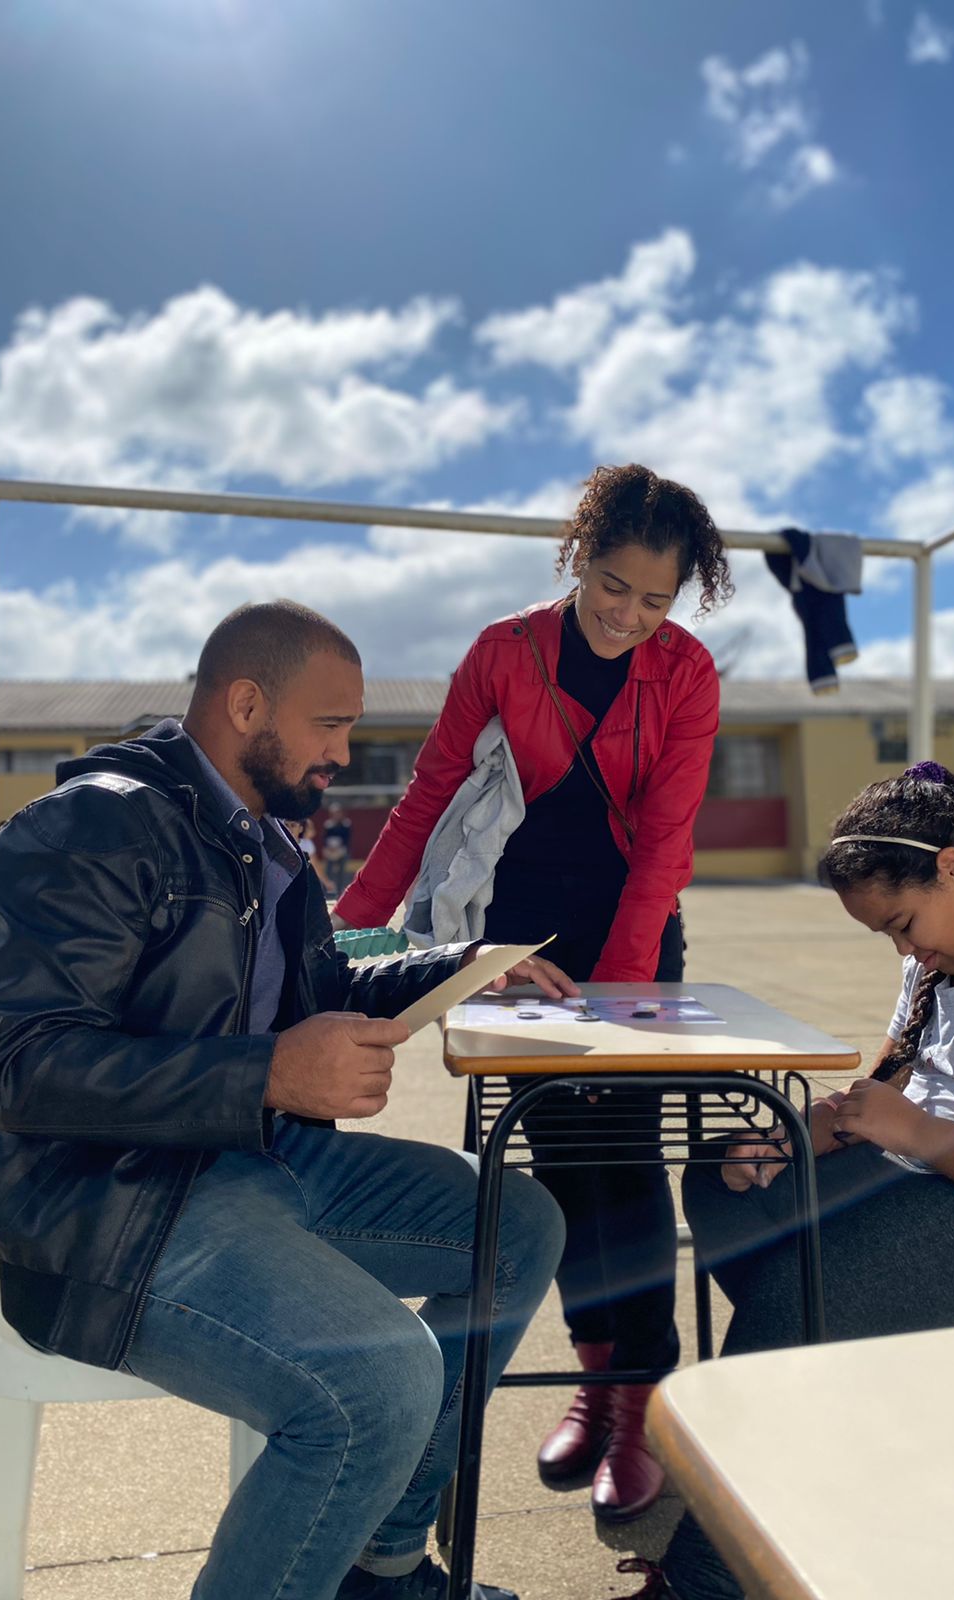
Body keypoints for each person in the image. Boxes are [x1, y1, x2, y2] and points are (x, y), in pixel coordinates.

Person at [0, 600, 573, 1600]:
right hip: (113, 1203)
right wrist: (269, 1075)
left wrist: (460, 969)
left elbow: (322, 989)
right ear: (247, 703)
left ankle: (380, 1566)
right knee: (380, 1381)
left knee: (518, 1224)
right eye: (330, 724)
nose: (344, 750)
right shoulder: (93, 824)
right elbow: (25, 1069)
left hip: (260, 1158)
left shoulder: (267, 841)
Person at [617, 760, 954, 1599]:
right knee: (728, 1180)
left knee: (818, 1282)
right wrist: (813, 1130)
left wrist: (915, 1133)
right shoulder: (944, 957)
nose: (906, 949)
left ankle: (709, 1577)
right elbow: (898, 1083)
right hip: (951, 1195)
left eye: (904, 924)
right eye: (889, 938)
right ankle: (829, 1419)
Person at [335, 463, 734, 1523]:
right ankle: (595, 1377)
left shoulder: (687, 674)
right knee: (554, 1164)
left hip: (632, 937)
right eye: (613, 586)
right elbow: (428, 798)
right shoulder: (503, 653)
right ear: (578, 557)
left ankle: (640, 1396)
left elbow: (663, 847)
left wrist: (623, 1000)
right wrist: (344, 935)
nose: (629, 616)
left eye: (656, 601)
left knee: (625, 1155)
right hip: (511, 942)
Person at [321, 800, 354, 899]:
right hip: (330, 852)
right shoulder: (328, 825)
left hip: (342, 851)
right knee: (328, 872)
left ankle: (340, 893)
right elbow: (325, 839)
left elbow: (347, 840)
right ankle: (327, 893)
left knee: (341, 873)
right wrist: (330, 848)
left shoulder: (346, 824)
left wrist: (338, 848)